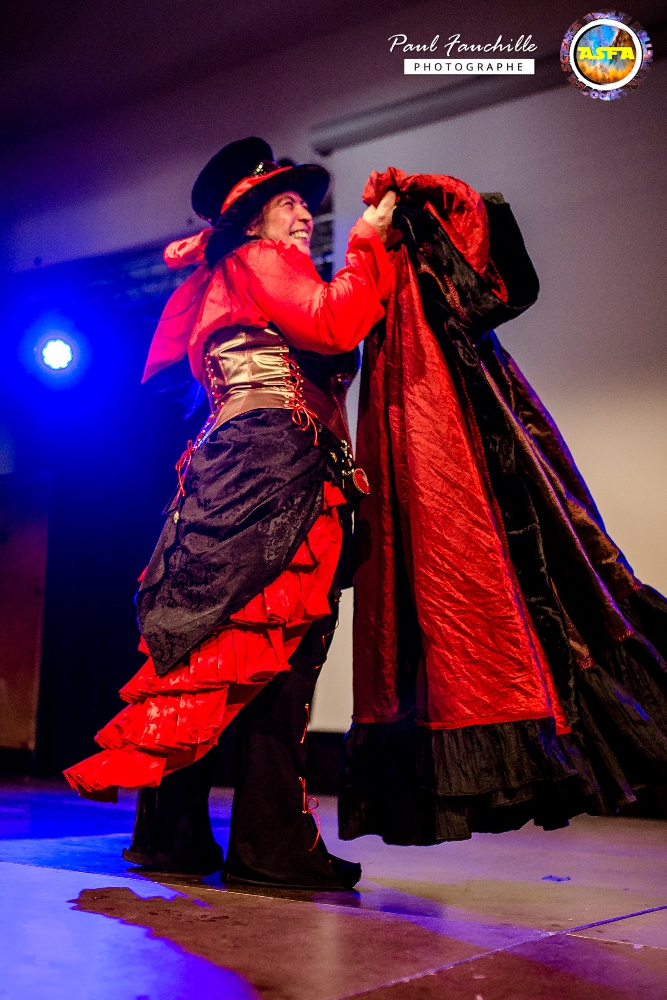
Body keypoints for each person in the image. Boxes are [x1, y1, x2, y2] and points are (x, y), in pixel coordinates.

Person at [64, 137, 396, 890]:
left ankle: (173, 834)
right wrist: (367, 241)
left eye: (307, 207)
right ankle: (269, 845)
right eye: (289, 205)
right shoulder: (259, 259)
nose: (303, 217)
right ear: (252, 219)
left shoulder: (228, 276)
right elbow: (334, 322)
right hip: (275, 468)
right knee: (279, 654)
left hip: (235, 466)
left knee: (209, 644)